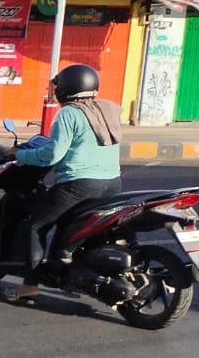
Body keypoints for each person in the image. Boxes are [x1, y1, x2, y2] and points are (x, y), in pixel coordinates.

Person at [7, 63, 123, 305]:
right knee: (73, 226)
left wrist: (20, 155)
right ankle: (69, 268)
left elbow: (52, 155)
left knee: (36, 225)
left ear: (67, 88)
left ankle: (29, 287)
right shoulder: (108, 109)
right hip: (112, 183)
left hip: (79, 185)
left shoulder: (69, 113)